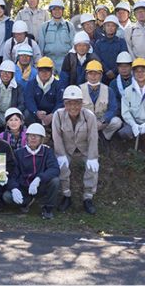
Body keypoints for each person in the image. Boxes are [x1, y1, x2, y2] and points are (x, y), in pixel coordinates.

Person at [52, 85, 99, 215]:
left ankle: (88, 197)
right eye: (69, 103)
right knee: (62, 167)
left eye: (76, 103)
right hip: (67, 150)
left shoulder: (89, 116)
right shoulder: (58, 115)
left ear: (81, 103)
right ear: (64, 104)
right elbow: (57, 137)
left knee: (92, 169)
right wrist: (60, 155)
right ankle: (66, 196)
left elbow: (93, 138)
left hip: (84, 150)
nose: (73, 107)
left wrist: (93, 157)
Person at [2, 123, 60, 220]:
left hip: (40, 186)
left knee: (55, 181)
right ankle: (26, 203)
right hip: (24, 188)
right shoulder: (18, 153)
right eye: (30, 135)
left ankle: (48, 208)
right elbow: (12, 174)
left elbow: (54, 169)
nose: (33, 138)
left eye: (36, 136)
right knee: (7, 196)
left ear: (42, 139)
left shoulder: (47, 152)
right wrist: (14, 188)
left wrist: (39, 178)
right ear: (27, 137)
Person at [80, 60, 122, 143]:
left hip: (102, 122)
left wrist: (103, 120)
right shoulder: (79, 89)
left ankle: (104, 137)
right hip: (85, 121)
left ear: (101, 75)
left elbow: (113, 109)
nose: (93, 76)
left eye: (97, 73)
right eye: (91, 73)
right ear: (86, 76)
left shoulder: (108, 90)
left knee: (117, 122)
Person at [24, 57, 64, 126]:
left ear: (52, 71)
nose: (44, 73)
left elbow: (60, 102)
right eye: (41, 70)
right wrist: (36, 112)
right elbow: (28, 100)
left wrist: (52, 114)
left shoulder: (58, 84)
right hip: (37, 113)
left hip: (52, 113)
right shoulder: (31, 84)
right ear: (37, 71)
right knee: (27, 113)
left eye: (47, 70)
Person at [38, 0, 74, 71]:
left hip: (66, 62)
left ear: (62, 10)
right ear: (51, 11)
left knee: (64, 81)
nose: (57, 11)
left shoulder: (69, 26)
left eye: (59, 9)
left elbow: (73, 45)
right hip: (48, 62)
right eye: (54, 9)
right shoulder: (44, 26)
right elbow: (41, 46)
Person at [94, 15, 128, 84]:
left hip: (118, 76)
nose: (110, 28)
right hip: (102, 76)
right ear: (104, 27)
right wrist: (106, 71)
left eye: (113, 26)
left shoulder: (121, 42)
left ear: (116, 28)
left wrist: (114, 71)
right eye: (108, 25)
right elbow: (97, 59)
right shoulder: (98, 43)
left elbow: (124, 58)